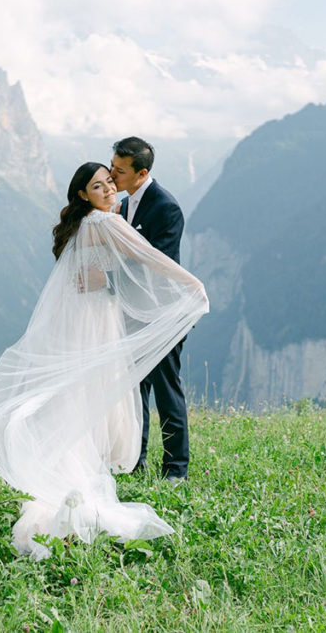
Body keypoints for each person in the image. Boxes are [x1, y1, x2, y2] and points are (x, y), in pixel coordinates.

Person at [0, 161, 209, 559]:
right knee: (98, 391)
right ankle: (83, 476)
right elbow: (150, 256)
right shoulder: (104, 224)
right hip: (98, 320)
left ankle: (72, 461)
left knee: (81, 392)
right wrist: (192, 283)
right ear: (83, 193)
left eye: (110, 183)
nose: (108, 191)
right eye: (98, 186)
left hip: (81, 319)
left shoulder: (83, 223)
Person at [110, 137, 190, 482]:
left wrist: (108, 274)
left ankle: (175, 469)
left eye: (120, 171)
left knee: (166, 389)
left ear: (141, 173)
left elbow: (155, 262)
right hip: (132, 313)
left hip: (164, 314)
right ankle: (134, 460)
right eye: (112, 167)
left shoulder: (166, 207)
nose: (113, 175)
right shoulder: (125, 205)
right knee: (134, 389)